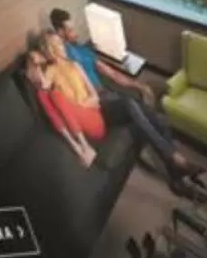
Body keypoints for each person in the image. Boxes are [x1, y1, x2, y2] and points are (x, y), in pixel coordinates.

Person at [34, 28, 207, 196]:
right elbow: (41, 86)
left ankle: (175, 170)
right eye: (55, 45)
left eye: (60, 43)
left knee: (150, 115)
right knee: (132, 105)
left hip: (100, 106)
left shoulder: (75, 66)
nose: (61, 47)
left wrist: (90, 101)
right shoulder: (49, 73)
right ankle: (175, 161)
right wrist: (35, 59)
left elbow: (94, 94)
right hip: (89, 117)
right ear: (48, 50)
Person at [46, 8, 188, 158]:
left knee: (156, 117)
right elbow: (43, 59)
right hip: (97, 104)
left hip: (107, 94)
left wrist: (140, 86)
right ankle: (172, 156)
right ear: (60, 32)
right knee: (129, 104)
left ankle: (173, 161)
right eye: (71, 29)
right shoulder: (60, 55)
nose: (76, 32)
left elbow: (112, 74)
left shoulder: (83, 50)